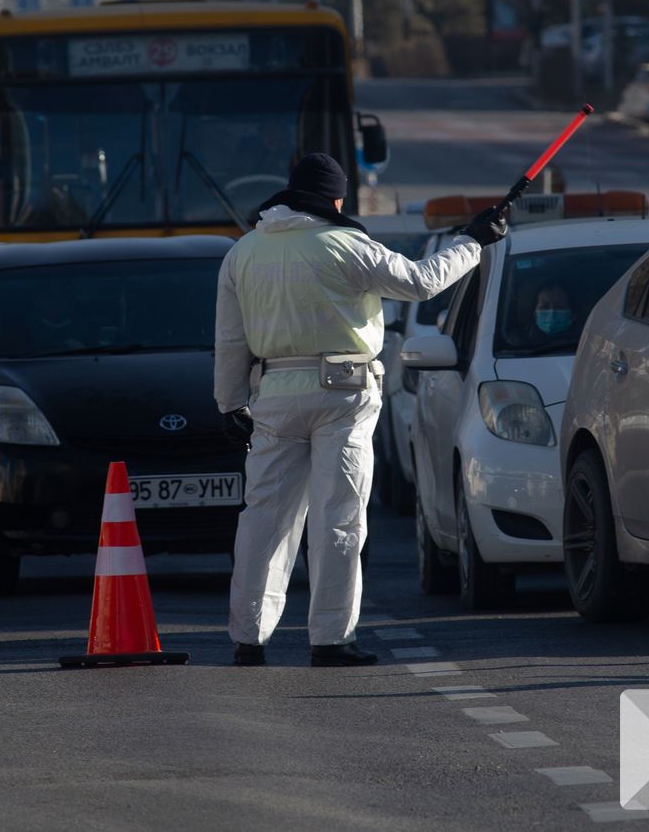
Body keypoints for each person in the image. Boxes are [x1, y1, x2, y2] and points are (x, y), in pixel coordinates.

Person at [215, 153, 507, 667]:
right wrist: (472, 241)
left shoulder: (244, 253)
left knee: (264, 517)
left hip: (274, 394)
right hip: (343, 394)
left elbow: (231, 339)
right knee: (339, 517)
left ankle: (248, 637)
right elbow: (420, 281)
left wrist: (229, 401)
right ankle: (330, 639)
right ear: (335, 199)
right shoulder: (348, 246)